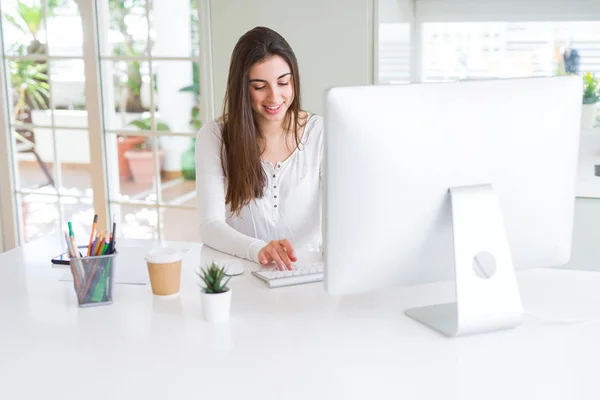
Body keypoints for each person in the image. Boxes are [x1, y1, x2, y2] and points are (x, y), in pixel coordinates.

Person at [195, 26, 324, 271]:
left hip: (307, 276)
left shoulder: (320, 134)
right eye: (259, 86)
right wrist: (258, 249)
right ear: (242, 88)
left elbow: (341, 217)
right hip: (242, 274)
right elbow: (210, 225)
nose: (274, 97)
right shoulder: (214, 137)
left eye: (283, 82)